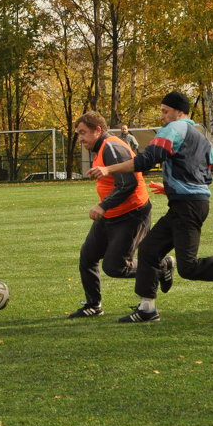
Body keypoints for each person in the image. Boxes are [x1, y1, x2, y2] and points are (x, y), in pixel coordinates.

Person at [88, 91, 213, 323]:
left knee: (188, 267)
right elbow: (205, 176)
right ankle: (147, 309)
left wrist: (108, 169)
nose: (162, 116)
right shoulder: (202, 138)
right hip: (187, 204)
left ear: (179, 112)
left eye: (165, 111)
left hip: (187, 207)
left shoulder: (174, 129)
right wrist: (172, 187)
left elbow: (147, 159)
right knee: (149, 250)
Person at [66, 112, 153, 319]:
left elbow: (128, 183)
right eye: (78, 134)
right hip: (112, 214)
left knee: (115, 267)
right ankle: (93, 305)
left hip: (132, 214)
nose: (81, 138)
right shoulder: (100, 148)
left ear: (98, 130)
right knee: (88, 256)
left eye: (84, 133)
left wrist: (103, 206)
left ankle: (160, 266)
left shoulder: (112, 147)